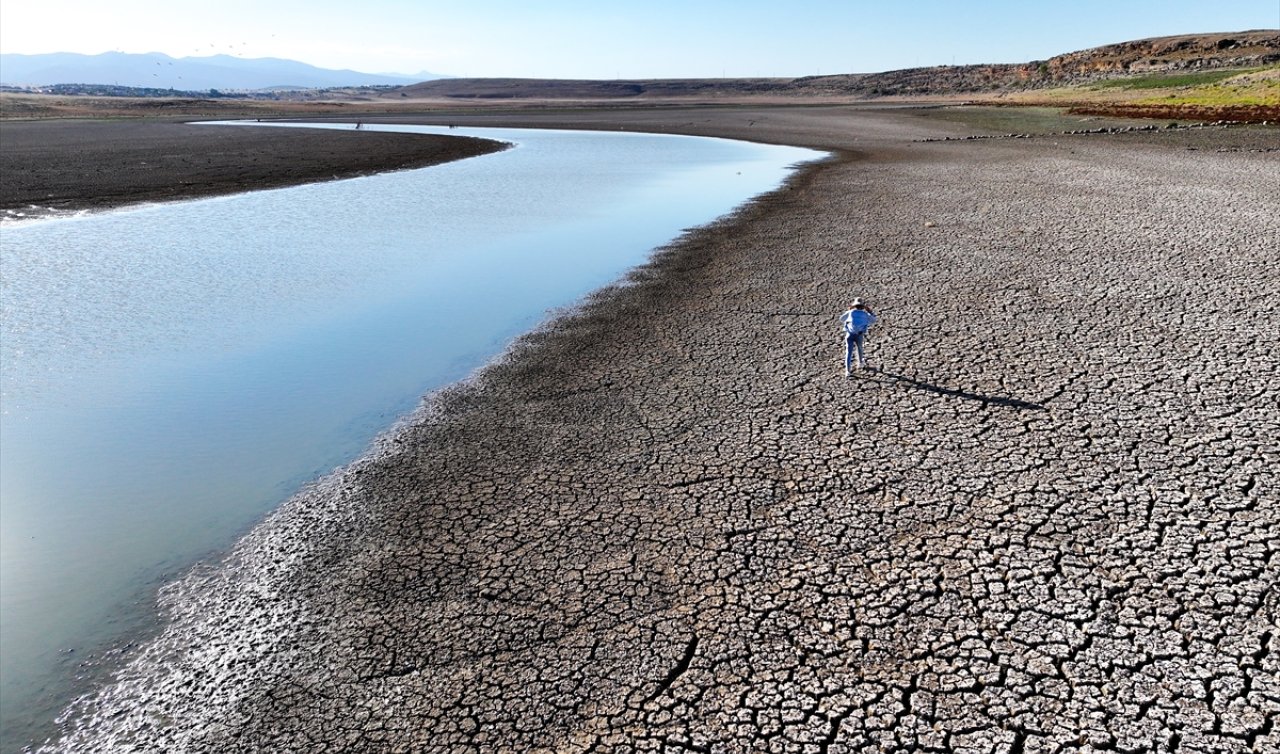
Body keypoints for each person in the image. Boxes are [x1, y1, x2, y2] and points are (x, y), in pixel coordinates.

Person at [840, 298, 878, 375]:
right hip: (859, 335)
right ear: (863, 307)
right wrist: (869, 311)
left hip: (849, 335)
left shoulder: (850, 312)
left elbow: (841, 319)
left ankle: (847, 371)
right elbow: (874, 320)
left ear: (854, 306)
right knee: (860, 348)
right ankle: (860, 363)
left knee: (849, 352)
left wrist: (848, 311)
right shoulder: (865, 314)